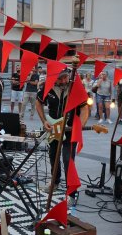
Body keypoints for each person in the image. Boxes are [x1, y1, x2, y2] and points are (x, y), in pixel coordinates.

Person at [36, 69, 88, 202]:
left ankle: (72, 192)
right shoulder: (47, 87)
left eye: (65, 77)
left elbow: (84, 108)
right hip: (53, 129)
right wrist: (44, 121)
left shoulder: (75, 87)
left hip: (70, 131)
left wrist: (80, 125)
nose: (64, 81)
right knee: (53, 156)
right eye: (60, 79)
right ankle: (55, 182)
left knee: (67, 159)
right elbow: (38, 102)